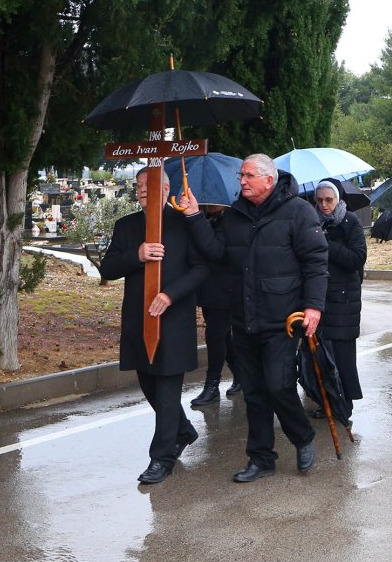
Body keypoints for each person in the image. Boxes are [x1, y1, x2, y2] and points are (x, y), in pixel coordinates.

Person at [182, 154, 328, 483]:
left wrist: (314, 306)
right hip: (243, 319)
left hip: (282, 320)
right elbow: (217, 252)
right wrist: (194, 217)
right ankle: (261, 458)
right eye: (241, 176)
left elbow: (316, 261)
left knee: (278, 386)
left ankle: (302, 437)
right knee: (254, 392)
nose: (242, 181)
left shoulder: (298, 212)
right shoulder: (236, 215)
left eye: (248, 175)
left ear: (268, 180)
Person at [100, 167, 209, 485]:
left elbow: (202, 269)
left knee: (166, 390)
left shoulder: (182, 224)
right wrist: (137, 254)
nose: (144, 190)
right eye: (139, 186)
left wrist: (170, 295)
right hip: (138, 320)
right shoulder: (126, 226)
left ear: (167, 189)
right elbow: (108, 268)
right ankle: (184, 430)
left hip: (174, 321)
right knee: (150, 386)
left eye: (151, 186)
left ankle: (161, 458)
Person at [312, 180, 367, 419]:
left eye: (329, 200)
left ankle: (345, 403)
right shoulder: (311, 222)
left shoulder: (351, 222)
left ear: (337, 200)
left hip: (344, 299)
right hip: (319, 296)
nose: (324, 205)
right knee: (321, 353)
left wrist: (327, 244)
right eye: (320, 200)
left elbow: (357, 259)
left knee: (343, 355)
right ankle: (326, 400)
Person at [190, 204, 240, 406]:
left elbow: (217, 250)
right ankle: (241, 375)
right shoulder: (201, 217)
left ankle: (212, 386)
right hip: (206, 287)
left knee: (214, 335)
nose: (211, 202)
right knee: (222, 335)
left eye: (215, 199)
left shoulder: (230, 220)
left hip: (226, 288)